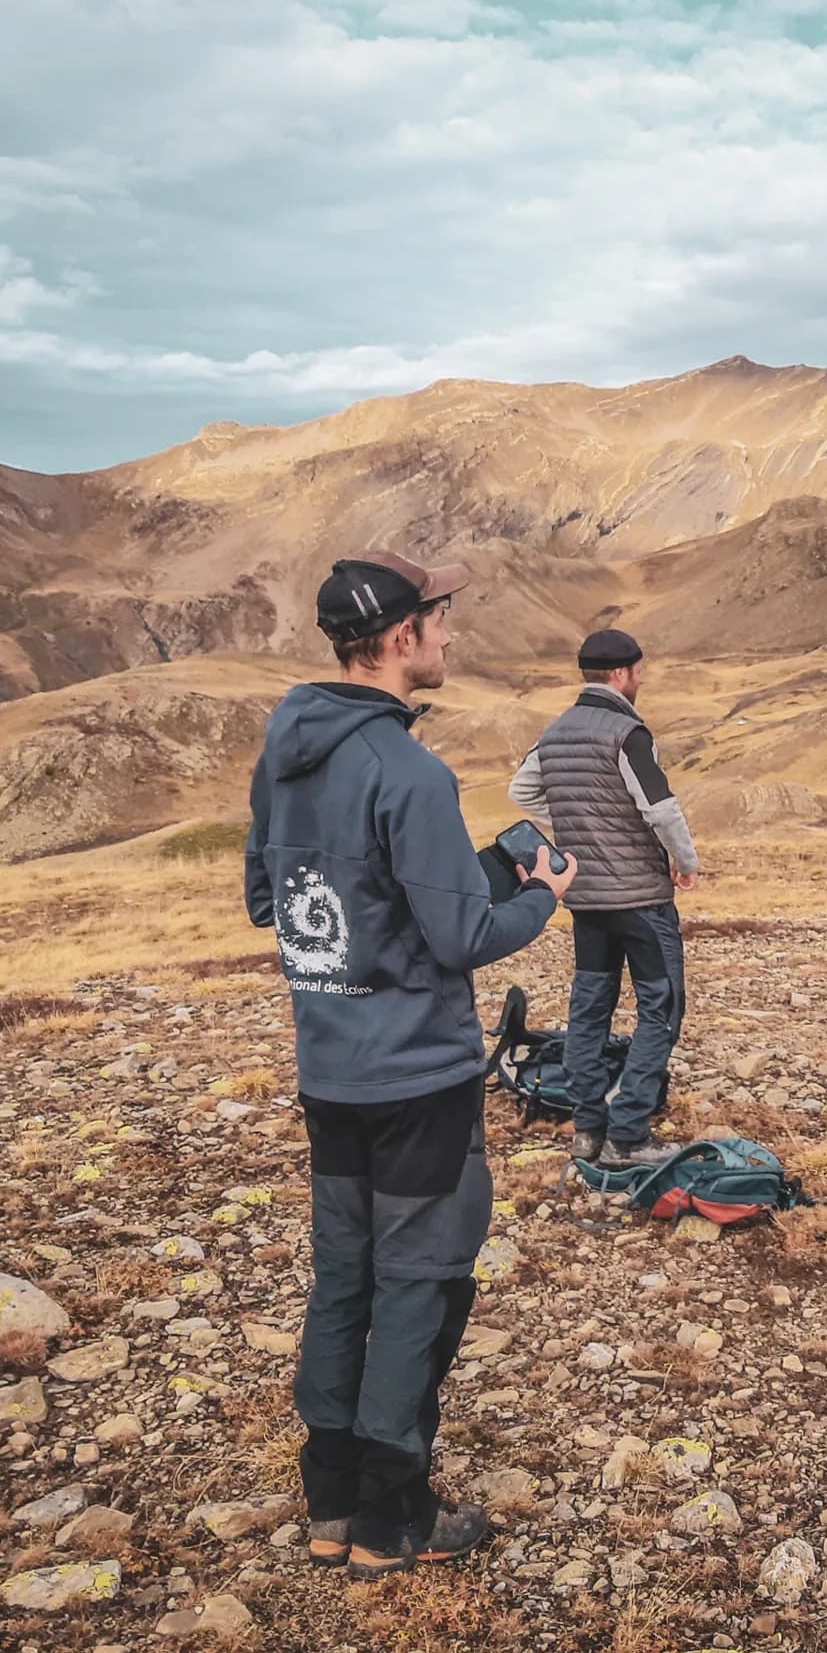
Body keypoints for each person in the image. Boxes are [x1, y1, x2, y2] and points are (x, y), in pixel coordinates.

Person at [244, 550, 575, 1581]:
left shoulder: (288, 751)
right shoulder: (409, 770)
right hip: (419, 1079)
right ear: (399, 640)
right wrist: (540, 894)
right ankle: (395, 1519)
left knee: (345, 1275)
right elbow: (461, 940)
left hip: (330, 1070)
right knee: (421, 1281)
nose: (451, 635)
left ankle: (330, 1501)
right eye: (440, 621)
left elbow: (280, 903)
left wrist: (458, 877)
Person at [508, 628, 698, 1169]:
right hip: (640, 897)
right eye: (639, 671)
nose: (642, 679)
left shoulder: (556, 731)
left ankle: (588, 1131)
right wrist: (685, 864)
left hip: (587, 898)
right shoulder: (627, 731)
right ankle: (630, 1134)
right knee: (661, 1008)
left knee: (590, 1010)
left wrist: (580, 830)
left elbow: (521, 792)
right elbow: (660, 810)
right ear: (621, 675)